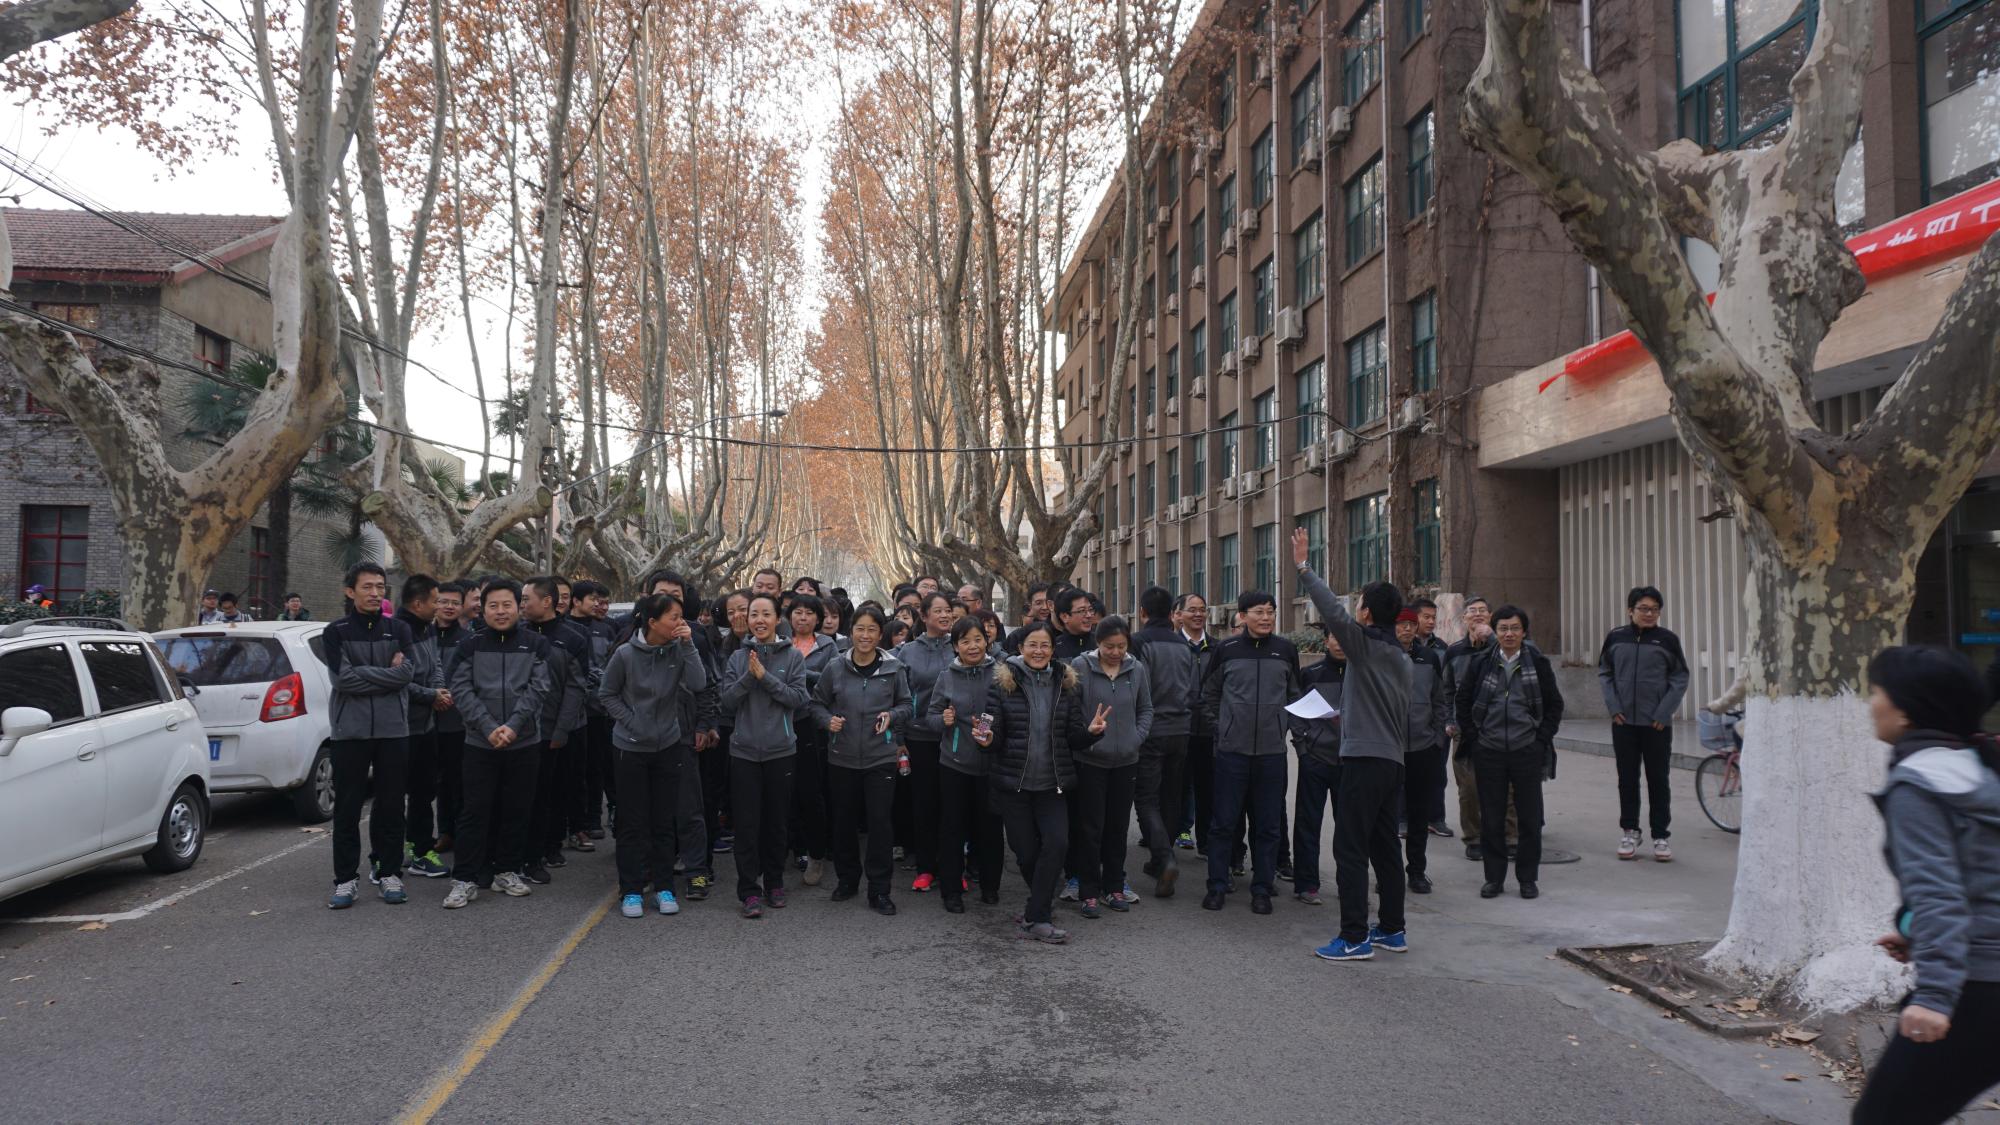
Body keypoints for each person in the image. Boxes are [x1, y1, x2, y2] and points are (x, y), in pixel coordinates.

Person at [1851, 646, 2000, 1125]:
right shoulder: (1975, 769)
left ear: (1906, 710)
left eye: (1877, 691)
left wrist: (1935, 996)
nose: (1871, 703)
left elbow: (1940, 895)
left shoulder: (1919, 784)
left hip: (1978, 988)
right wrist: (1916, 933)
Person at [1292, 529, 1412, 960]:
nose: (1354, 610)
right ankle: (1393, 929)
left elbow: (1330, 608)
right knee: (1385, 846)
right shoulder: (1401, 657)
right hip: (1391, 761)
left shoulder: (1365, 646)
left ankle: (1354, 936)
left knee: (1350, 848)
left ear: (1366, 613)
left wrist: (1304, 566)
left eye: (1359, 603)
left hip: (1364, 760)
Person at [976, 621, 1106, 944]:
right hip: (1014, 785)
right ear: (1021, 648)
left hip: (1052, 784)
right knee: (1026, 853)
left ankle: (1038, 917)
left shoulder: (1066, 684)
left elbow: (1072, 737)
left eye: (1045, 645)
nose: (1038, 651)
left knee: (1057, 844)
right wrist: (987, 739)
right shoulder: (1002, 684)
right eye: (1032, 645)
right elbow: (994, 735)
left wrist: (1091, 733)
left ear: (1052, 650)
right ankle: (1039, 907)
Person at [597, 592, 707, 918]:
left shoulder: (678, 649)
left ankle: (664, 887)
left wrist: (688, 644)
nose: (681, 622)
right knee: (632, 822)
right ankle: (631, 890)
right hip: (630, 747)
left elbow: (698, 683)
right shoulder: (626, 654)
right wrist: (633, 722)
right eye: (674, 617)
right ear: (653, 622)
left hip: (668, 745)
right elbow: (607, 694)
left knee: (663, 820)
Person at [443, 580, 552, 908]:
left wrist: (514, 726)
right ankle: (465, 878)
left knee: (517, 809)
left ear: (519, 607)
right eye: (493, 605)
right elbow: (460, 688)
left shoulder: (536, 644)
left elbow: (539, 687)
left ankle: (507, 870)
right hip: (480, 743)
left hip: (524, 741)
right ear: (483, 609)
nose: (501, 612)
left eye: (507, 605)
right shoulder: (470, 645)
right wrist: (489, 728)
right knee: (474, 811)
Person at [320, 563, 418, 909]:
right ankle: (346, 880)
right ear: (350, 591)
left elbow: (407, 674)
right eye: (367, 587)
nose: (376, 593)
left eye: (380, 586)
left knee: (391, 805)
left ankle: (389, 873)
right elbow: (343, 680)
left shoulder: (399, 628)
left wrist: (364, 672)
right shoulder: (336, 632)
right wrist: (385, 675)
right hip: (350, 732)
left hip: (393, 730)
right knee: (347, 808)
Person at [1198, 590, 1302, 916]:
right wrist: (1222, 729)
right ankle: (1216, 886)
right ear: (1242, 616)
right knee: (1223, 824)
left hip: (1271, 754)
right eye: (1259, 612)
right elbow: (1208, 695)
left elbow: (1295, 698)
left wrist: (1287, 729)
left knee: (1268, 826)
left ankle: (1262, 889)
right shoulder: (1227, 650)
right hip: (1232, 753)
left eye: (1270, 611)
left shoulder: (1285, 650)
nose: (1266, 617)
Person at [1454, 605, 1564, 901]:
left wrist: (1540, 739)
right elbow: (1463, 702)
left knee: (1529, 818)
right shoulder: (1481, 663)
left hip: (1526, 749)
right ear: (1495, 631)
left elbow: (1554, 705)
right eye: (1503, 628)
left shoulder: (1537, 663)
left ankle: (1527, 879)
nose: (1509, 634)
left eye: (1515, 628)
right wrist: (1475, 738)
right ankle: (1494, 878)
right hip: (1489, 749)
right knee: (1491, 818)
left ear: (1524, 632)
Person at [812, 606, 912, 915]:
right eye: (860, 629)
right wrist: (828, 721)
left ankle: (879, 890)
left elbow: (907, 705)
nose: (865, 635)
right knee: (844, 822)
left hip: (880, 757)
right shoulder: (835, 667)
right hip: (842, 757)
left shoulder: (894, 668)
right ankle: (847, 880)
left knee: (880, 824)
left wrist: (891, 715)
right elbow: (816, 704)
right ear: (851, 631)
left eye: (871, 630)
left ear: (880, 634)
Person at [719, 593, 810, 919]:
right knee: (746, 825)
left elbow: (798, 699)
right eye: (754, 614)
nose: (759, 620)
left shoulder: (793, 656)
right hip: (744, 752)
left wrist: (765, 677)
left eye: (765, 614)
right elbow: (727, 702)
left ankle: (774, 883)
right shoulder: (736, 657)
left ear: (776, 619)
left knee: (776, 823)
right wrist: (749, 676)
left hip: (780, 751)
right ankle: (748, 890)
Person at [1068, 616, 1153, 918]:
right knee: (1090, 828)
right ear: (1098, 644)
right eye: (1109, 647)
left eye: (1121, 646)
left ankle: (1114, 886)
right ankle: (1089, 891)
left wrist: (1135, 739)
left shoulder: (1136, 669)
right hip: (1090, 760)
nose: (1116, 652)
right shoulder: (1080, 667)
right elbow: (1071, 711)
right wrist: (1088, 735)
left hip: (1126, 761)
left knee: (1117, 828)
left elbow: (1146, 709)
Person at [1598, 585, 1690, 862]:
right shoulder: (1616, 637)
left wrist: (1664, 713)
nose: (1649, 614)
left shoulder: (1667, 640)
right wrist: (1614, 707)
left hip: (1656, 725)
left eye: (1655, 610)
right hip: (1624, 722)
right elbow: (1605, 672)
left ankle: (1660, 835)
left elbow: (1680, 678)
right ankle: (1630, 831)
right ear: (1630, 610)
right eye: (1643, 609)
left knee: (1658, 780)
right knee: (1627, 779)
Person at [923, 616, 1003, 912]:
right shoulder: (947, 676)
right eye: (965, 641)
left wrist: (995, 735)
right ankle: (951, 891)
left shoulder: (1001, 672)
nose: (973, 646)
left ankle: (990, 887)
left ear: (987, 641)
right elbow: (931, 717)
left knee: (990, 829)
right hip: (954, 763)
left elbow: (1010, 713)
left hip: (992, 762)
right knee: (952, 829)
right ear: (955, 646)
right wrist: (942, 720)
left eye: (978, 639)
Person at [520, 577, 591, 884]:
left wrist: (561, 730)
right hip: (520, 730)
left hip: (556, 730)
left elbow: (576, 689)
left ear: (546, 601)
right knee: (527, 795)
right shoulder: (516, 633)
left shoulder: (572, 638)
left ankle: (550, 846)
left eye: (526, 599)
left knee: (554, 792)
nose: (522, 605)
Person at [1133, 586, 1198, 898]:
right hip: (1181, 729)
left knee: (1146, 798)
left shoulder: (1139, 642)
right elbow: (1194, 690)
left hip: (1151, 729)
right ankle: (1161, 860)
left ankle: (1164, 857)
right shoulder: (1183, 645)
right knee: (1172, 796)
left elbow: (1136, 687)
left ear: (1142, 612)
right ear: (1172, 613)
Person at [894, 591, 956, 894]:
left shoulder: (960, 645)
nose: (945, 616)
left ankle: (953, 867)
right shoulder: (907, 652)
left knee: (952, 805)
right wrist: (899, 738)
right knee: (924, 804)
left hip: (954, 737)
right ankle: (926, 867)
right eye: (938, 611)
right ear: (924, 616)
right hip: (919, 737)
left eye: (948, 611)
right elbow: (898, 696)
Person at [1444, 597, 1514, 860]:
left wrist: (1494, 639)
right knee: (1469, 788)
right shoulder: (1454, 652)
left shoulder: (1506, 644)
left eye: (1482, 610)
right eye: (1471, 611)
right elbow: (1447, 690)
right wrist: (1449, 720)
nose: (1477, 614)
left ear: (1491, 616)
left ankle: (1510, 837)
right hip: (1465, 730)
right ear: (1464, 619)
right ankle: (1474, 838)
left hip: (1500, 727)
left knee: (1507, 786)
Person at [395, 575, 451, 880]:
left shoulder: (427, 628)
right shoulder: (396, 631)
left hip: (427, 724)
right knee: (396, 795)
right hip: (401, 728)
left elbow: (436, 663)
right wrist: (431, 695)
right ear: (418, 604)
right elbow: (399, 680)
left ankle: (419, 849)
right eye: (435, 601)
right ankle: (396, 854)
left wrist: (439, 691)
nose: (439, 606)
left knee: (424, 790)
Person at [785, 595, 840, 887]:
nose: (803, 617)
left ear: (818, 618)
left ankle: (816, 853)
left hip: (812, 723)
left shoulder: (828, 646)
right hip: (780, 721)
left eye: (809, 613)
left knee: (811, 791)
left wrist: (798, 672)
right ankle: (795, 849)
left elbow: (830, 680)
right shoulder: (780, 642)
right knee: (785, 791)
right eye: (797, 612)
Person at [1395, 609, 1450, 895]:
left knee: (1419, 815)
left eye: (1411, 625)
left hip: (1422, 747)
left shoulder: (1429, 658)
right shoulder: (1384, 656)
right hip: (1390, 748)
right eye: (1401, 624)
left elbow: (1439, 700)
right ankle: (1388, 873)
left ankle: (1416, 871)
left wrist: (1437, 737)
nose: (1406, 629)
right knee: (1388, 816)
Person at [1289, 631, 1345, 907]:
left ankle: (1349, 883)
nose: (1340, 643)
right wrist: (1303, 747)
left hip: (1351, 760)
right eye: (1335, 637)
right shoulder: (1311, 674)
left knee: (1349, 827)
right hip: (1316, 757)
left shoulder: (1362, 674)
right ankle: (1307, 884)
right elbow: (1296, 712)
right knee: (1308, 822)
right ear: (1326, 642)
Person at [569, 580, 617, 844]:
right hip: (572, 710)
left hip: (600, 709)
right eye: (593, 599)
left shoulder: (606, 628)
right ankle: (573, 821)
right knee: (575, 769)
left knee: (597, 766)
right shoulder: (565, 627)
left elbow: (611, 665)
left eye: (600, 600)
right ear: (576, 601)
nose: (598, 604)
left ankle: (594, 818)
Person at [1174, 593, 1215, 854]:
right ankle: (1181, 829)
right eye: (1192, 610)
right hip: (1181, 728)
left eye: (1202, 609)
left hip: (1210, 730)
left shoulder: (1217, 648)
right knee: (1180, 784)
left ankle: (1207, 840)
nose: (1198, 614)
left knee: (1208, 787)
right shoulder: (1174, 646)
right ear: (1179, 615)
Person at [431, 581, 470, 853]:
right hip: (425, 718)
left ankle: (457, 832)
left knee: (456, 781)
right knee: (430, 783)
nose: (449, 607)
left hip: (457, 721)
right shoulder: (422, 636)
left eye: (455, 602)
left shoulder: (468, 639)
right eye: (443, 601)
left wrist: (448, 696)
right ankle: (437, 834)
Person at [1410, 597, 1451, 839]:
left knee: (1437, 774)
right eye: (1426, 617)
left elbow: (1445, 688)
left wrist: (1444, 722)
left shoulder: (1442, 649)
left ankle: (1436, 818)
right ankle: (1403, 819)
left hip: (1435, 724)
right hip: (1410, 725)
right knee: (1406, 777)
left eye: (1434, 617)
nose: (1431, 622)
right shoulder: (1402, 647)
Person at [1003, 581, 1054, 654]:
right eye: (1038, 603)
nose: (1045, 607)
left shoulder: (1063, 631)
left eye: (1047, 602)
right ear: (1030, 605)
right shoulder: (1016, 637)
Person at [1052, 588, 1098, 663]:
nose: (1089, 615)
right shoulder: (1054, 648)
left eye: (1090, 610)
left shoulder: (1101, 642)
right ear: (1064, 617)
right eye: (1082, 611)